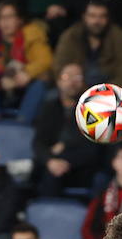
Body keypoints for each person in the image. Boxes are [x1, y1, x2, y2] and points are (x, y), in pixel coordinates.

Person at [0, 0, 51, 123]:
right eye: (1, 18)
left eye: (9, 17)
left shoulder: (32, 34)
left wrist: (28, 73)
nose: (5, 22)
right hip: (1, 85)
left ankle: (22, 122)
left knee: (40, 84)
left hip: (24, 85)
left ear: (20, 19)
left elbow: (46, 61)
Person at [31, 63, 102, 197]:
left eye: (78, 77)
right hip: (51, 165)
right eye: (67, 76)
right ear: (58, 81)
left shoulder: (92, 111)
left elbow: (92, 149)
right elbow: (38, 143)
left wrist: (64, 159)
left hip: (80, 169)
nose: (72, 81)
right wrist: (50, 160)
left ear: (84, 83)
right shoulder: (49, 108)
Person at [50, 0, 122, 94]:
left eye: (102, 16)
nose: (97, 21)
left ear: (108, 19)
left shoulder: (120, 38)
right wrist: (68, 82)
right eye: (92, 16)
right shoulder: (71, 36)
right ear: (84, 17)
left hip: (111, 91)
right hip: (78, 89)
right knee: (51, 96)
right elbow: (59, 66)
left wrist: (104, 94)